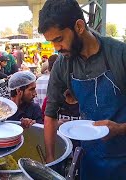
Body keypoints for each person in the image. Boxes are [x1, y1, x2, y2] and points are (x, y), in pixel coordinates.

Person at [39, 0, 126, 179]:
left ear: (79, 26)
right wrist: (50, 160)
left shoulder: (120, 55)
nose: (56, 48)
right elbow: (50, 113)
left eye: (59, 39)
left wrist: (120, 129)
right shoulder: (63, 64)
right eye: (51, 42)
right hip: (89, 159)